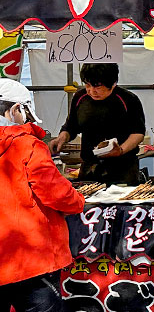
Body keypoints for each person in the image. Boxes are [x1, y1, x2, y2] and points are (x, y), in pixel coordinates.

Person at [0, 79, 85, 312]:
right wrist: (78, 200)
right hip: (30, 259)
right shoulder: (28, 145)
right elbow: (55, 193)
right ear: (17, 109)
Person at [50, 63, 146, 185]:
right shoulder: (80, 97)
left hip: (122, 169)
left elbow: (138, 133)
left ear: (113, 84)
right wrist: (61, 138)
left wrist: (120, 150)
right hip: (89, 167)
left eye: (98, 87)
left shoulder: (128, 99)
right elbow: (71, 126)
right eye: (87, 85)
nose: (91, 91)